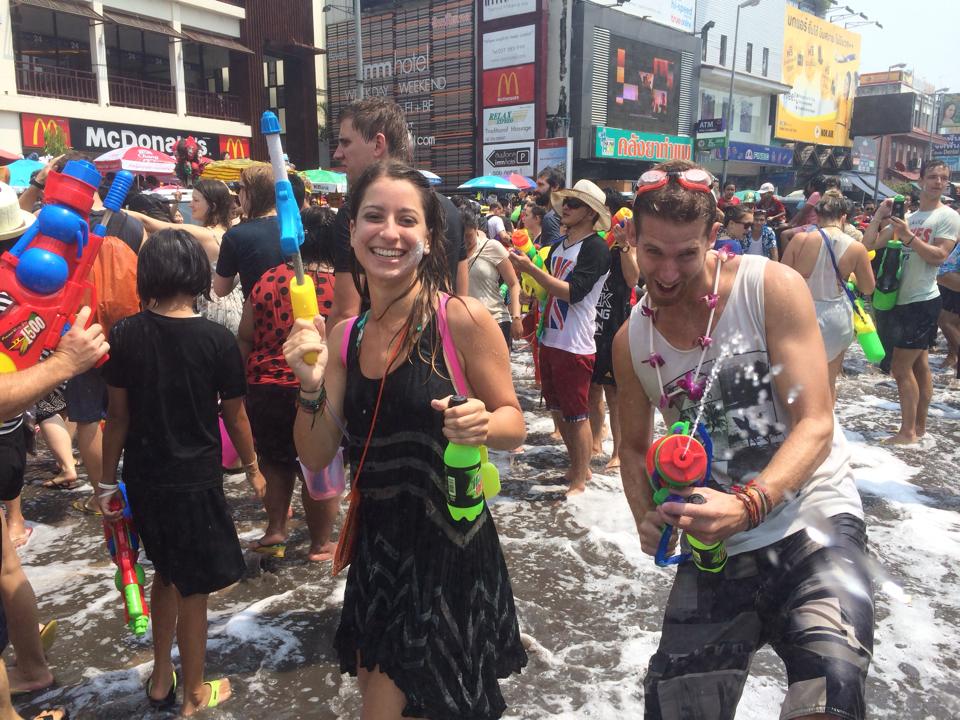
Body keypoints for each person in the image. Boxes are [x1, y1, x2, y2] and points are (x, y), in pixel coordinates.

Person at [613, 160, 873, 720]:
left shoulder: (768, 287)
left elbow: (816, 422)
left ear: (713, 238)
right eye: (653, 251)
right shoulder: (630, 339)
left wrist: (751, 504)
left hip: (813, 520)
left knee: (830, 692)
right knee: (676, 708)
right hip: (715, 545)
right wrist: (644, 513)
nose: (666, 272)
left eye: (686, 253)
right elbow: (632, 448)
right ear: (631, 237)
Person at [283, 161, 527, 718]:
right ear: (352, 231)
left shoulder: (460, 318)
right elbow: (317, 455)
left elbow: (514, 424)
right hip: (380, 550)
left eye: (406, 219)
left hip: (451, 550)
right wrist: (308, 387)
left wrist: (483, 424)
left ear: (429, 236)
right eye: (373, 216)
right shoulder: (346, 336)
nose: (388, 232)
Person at [100, 229, 265, 716]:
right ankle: (193, 692)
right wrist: (254, 468)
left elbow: (117, 418)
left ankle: (158, 678)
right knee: (194, 589)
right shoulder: (216, 341)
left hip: (145, 479)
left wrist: (107, 484)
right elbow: (235, 417)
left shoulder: (125, 334)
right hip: (195, 482)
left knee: (166, 574)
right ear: (194, 275)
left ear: (148, 275)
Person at [0, 183, 110, 720]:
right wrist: (62, 363)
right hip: (9, 436)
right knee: (5, 567)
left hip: (6, 434)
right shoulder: (23, 290)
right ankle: (28, 676)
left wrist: (61, 362)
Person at [237, 206, 341, 562]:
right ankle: (321, 543)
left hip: (264, 386)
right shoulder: (341, 285)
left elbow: (245, 336)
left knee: (275, 460)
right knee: (320, 464)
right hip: (315, 388)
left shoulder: (267, 280)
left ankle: (275, 530)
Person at [509, 179, 611, 495]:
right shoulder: (559, 245)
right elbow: (547, 289)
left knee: (577, 414)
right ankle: (575, 466)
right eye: (566, 202)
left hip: (575, 343)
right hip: (550, 338)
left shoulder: (596, 248)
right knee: (557, 409)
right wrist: (530, 293)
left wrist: (532, 269)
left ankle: (581, 478)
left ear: (591, 213)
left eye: (574, 204)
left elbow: (574, 293)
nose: (566, 207)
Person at [327, 98, 468, 328]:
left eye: (345, 143)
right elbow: (461, 297)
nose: (337, 154)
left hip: (377, 356)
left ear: (378, 145)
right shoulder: (448, 207)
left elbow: (345, 312)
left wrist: (328, 357)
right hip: (442, 346)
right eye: (375, 216)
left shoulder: (355, 212)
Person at [863, 160, 960, 444]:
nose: (938, 183)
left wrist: (908, 237)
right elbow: (869, 244)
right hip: (900, 299)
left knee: (900, 368)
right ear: (920, 181)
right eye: (932, 177)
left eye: (943, 178)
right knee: (920, 367)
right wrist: (881, 214)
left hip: (922, 299)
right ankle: (918, 428)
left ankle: (907, 432)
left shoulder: (949, 217)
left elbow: (938, 256)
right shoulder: (912, 216)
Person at [782, 190, 876, 403]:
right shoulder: (856, 248)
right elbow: (869, 288)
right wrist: (850, 274)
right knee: (828, 381)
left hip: (802, 314)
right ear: (844, 216)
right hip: (837, 316)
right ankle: (826, 430)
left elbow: (781, 281)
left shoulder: (799, 241)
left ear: (817, 215)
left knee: (798, 380)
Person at [129, 179, 244, 335]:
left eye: (196, 200)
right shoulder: (228, 229)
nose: (190, 205)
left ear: (213, 206)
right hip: (232, 307)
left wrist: (109, 209)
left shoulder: (207, 234)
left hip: (215, 310)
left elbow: (148, 223)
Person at [589, 190, 640, 470]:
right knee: (592, 389)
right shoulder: (594, 243)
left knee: (614, 393)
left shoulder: (627, 242)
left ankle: (619, 450)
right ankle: (596, 439)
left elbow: (633, 280)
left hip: (615, 325)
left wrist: (623, 247)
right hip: (590, 325)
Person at [213, 164, 284, 300]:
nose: (238, 194)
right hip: (299, 312)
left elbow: (220, 289)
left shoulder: (236, 236)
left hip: (259, 314)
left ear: (250, 192)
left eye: (239, 188)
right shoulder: (295, 226)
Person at [464, 210, 523, 348]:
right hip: (465, 325)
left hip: (496, 321)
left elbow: (514, 283)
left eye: (468, 236)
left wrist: (516, 317)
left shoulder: (491, 247)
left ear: (476, 229)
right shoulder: (454, 250)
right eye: (461, 236)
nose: (465, 241)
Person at [937, 240, 960, 375]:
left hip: (952, 275)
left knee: (946, 321)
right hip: (951, 275)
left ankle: (954, 356)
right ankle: (952, 356)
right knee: (950, 321)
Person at [533, 168, 564, 245]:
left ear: (555, 187)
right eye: (536, 185)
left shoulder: (551, 217)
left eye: (541, 185)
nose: (536, 190)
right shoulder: (562, 213)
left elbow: (549, 254)